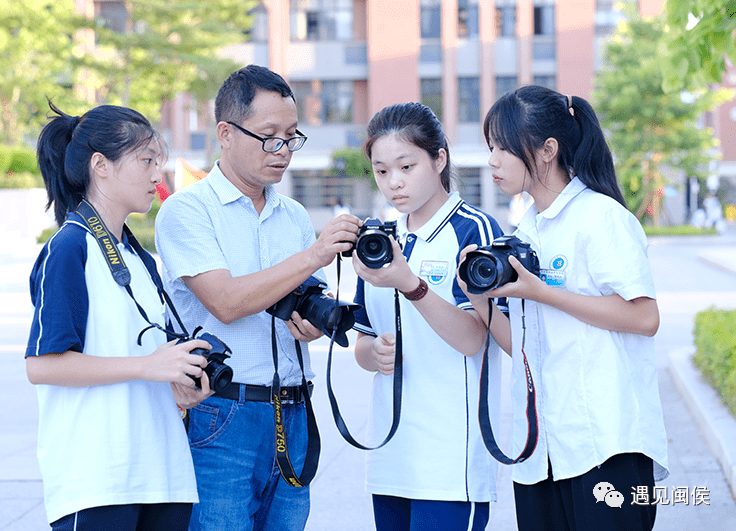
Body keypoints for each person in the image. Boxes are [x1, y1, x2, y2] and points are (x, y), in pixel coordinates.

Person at [155, 64, 360, 531]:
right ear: (225, 133)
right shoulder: (186, 210)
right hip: (223, 414)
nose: (284, 151)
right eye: (270, 136)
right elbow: (225, 301)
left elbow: (298, 299)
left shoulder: (294, 215)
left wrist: (309, 322)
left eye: (291, 136)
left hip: (294, 412)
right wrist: (314, 255)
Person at [458, 86, 669, 531]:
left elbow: (644, 318)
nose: (492, 160)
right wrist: (478, 297)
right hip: (541, 452)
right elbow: (525, 348)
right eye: (490, 148)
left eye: (501, 148)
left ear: (547, 150)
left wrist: (543, 293)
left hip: (606, 448)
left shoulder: (600, 217)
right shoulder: (527, 230)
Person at [26, 102, 214, 530]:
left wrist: (175, 385)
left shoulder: (140, 258)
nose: (157, 176)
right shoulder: (69, 248)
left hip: (163, 475)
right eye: (146, 161)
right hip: (98, 481)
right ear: (101, 166)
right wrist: (147, 366)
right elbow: (41, 365)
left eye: (158, 163)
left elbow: (140, 359)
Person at [351, 102, 505, 531]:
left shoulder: (475, 231)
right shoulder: (381, 239)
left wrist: (410, 283)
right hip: (391, 458)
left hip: (450, 463)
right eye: (382, 171)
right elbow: (363, 341)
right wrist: (373, 353)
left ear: (439, 159)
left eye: (406, 165)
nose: (394, 182)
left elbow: (479, 338)